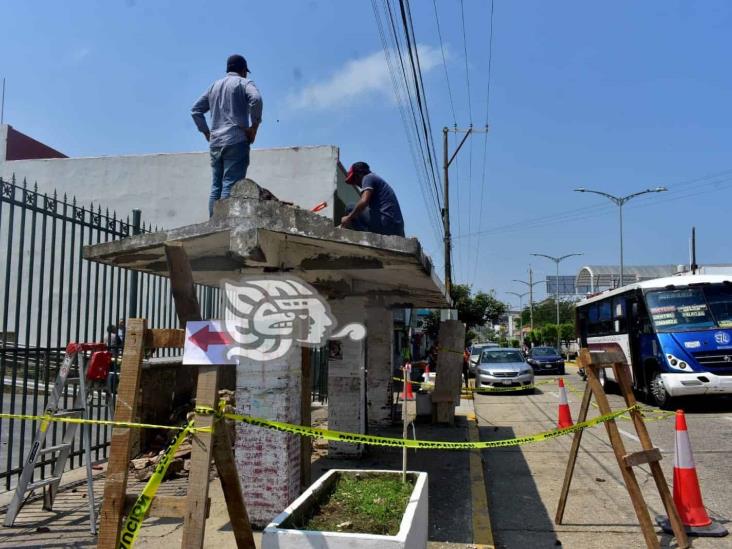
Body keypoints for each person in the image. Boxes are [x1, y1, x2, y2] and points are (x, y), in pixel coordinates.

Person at [192, 54, 263, 217]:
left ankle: (213, 223)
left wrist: (206, 133)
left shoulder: (214, 86)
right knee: (230, 185)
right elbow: (256, 99)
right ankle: (223, 224)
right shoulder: (244, 83)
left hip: (216, 143)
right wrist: (254, 127)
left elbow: (195, 110)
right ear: (244, 70)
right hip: (236, 141)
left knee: (216, 187)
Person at [340, 162, 405, 237]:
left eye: (354, 179)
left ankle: (366, 238)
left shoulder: (367, 178)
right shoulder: (376, 179)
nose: (356, 183)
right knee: (362, 210)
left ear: (360, 174)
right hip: (397, 229)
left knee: (350, 207)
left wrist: (348, 217)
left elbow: (364, 201)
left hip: (385, 224)